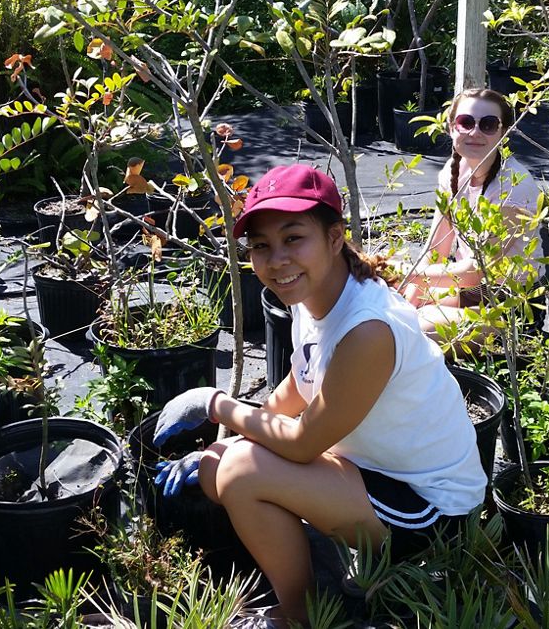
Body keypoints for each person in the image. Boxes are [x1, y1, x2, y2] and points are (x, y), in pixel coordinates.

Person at [149, 165, 486, 628]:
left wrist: (214, 403)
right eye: (261, 246)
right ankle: (306, 570)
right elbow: (297, 384)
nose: (277, 259)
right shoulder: (316, 297)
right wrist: (223, 443)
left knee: (242, 473)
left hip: (430, 508)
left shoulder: (367, 329)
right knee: (217, 464)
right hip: (372, 470)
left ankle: (303, 617)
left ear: (333, 237)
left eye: (293, 238)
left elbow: (304, 442)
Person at [399, 88, 545, 344]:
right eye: (466, 122)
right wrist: (410, 296)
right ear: (451, 127)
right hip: (470, 290)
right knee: (396, 304)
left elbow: (477, 271)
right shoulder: (451, 172)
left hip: (510, 302)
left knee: (417, 328)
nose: (475, 132)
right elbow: (436, 250)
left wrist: (409, 274)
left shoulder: (513, 185)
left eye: (488, 124)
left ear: (503, 132)